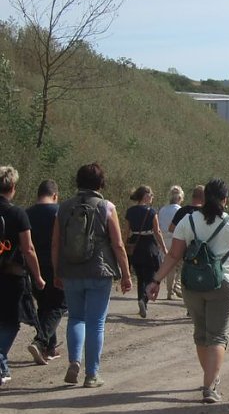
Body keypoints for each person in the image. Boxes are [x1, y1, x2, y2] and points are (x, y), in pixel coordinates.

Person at [147, 178, 229, 404]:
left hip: (193, 283)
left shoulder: (188, 220)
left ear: (204, 197)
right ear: (225, 200)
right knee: (218, 335)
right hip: (224, 283)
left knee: (201, 333)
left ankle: (210, 377)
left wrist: (156, 280)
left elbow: (174, 255)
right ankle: (210, 385)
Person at [53, 163, 132, 388]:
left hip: (71, 271)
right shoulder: (107, 207)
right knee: (96, 323)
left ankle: (74, 362)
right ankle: (92, 374)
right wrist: (126, 274)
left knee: (75, 318)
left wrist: (57, 271)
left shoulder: (63, 208)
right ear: (101, 183)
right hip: (99, 271)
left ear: (78, 181)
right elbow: (118, 244)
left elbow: (55, 244)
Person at [0, 166, 46, 386]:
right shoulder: (17, 213)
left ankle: (2, 364)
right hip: (12, 275)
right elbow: (28, 249)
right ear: (12, 187)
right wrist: (38, 277)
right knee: (11, 322)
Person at [25, 180, 66, 364]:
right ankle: (40, 341)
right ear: (55, 195)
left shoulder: (27, 213)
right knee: (59, 305)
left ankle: (49, 348)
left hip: (33, 265)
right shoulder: (60, 212)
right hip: (56, 263)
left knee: (44, 305)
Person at [126, 186, 168, 318]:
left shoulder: (130, 211)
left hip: (135, 245)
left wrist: (124, 246)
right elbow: (157, 231)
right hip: (149, 245)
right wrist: (164, 248)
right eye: (151, 195)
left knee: (140, 277)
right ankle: (144, 299)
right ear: (145, 196)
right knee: (151, 276)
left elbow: (126, 231)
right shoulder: (151, 211)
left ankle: (141, 301)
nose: (152, 197)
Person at [157, 185, 184, 300]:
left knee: (169, 265)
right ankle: (176, 285)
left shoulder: (163, 209)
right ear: (180, 198)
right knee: (181, 264)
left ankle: (169, 291)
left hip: (164, 239)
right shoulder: (180, 210)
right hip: (176, 238)